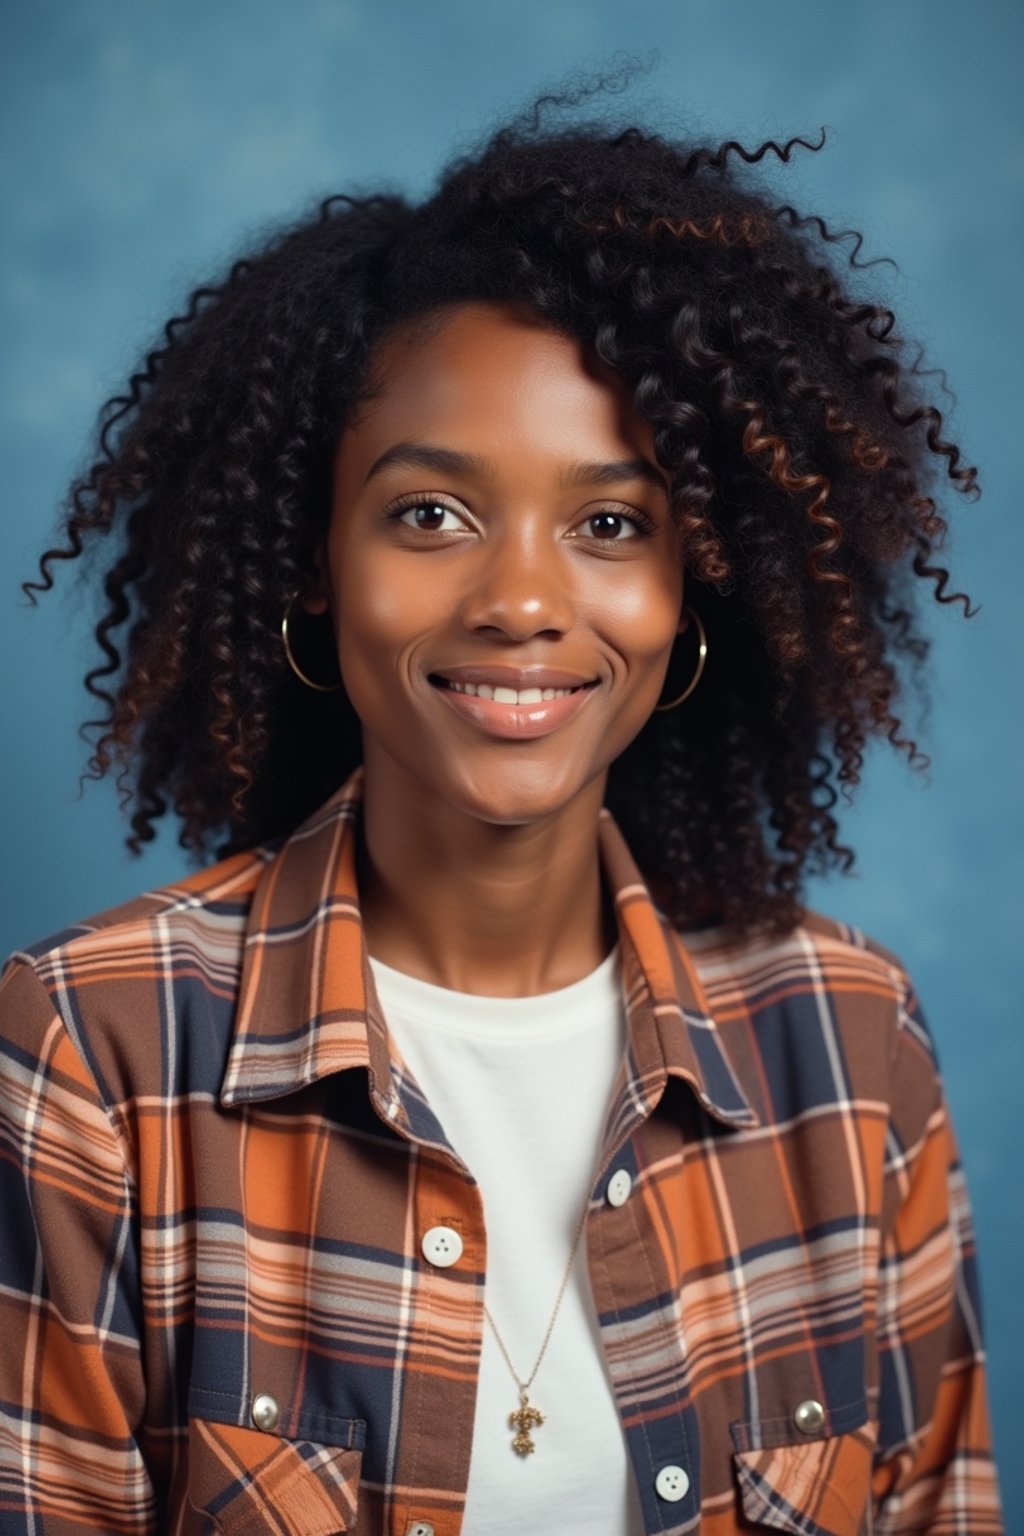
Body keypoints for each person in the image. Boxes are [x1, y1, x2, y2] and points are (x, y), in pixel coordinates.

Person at [0, 75, 1004, 1536]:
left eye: (610, 525)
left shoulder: (847, 1048)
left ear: (692, 587)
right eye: (431, 514)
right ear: (313, 562)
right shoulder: (92, 1055)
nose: (525, 601)